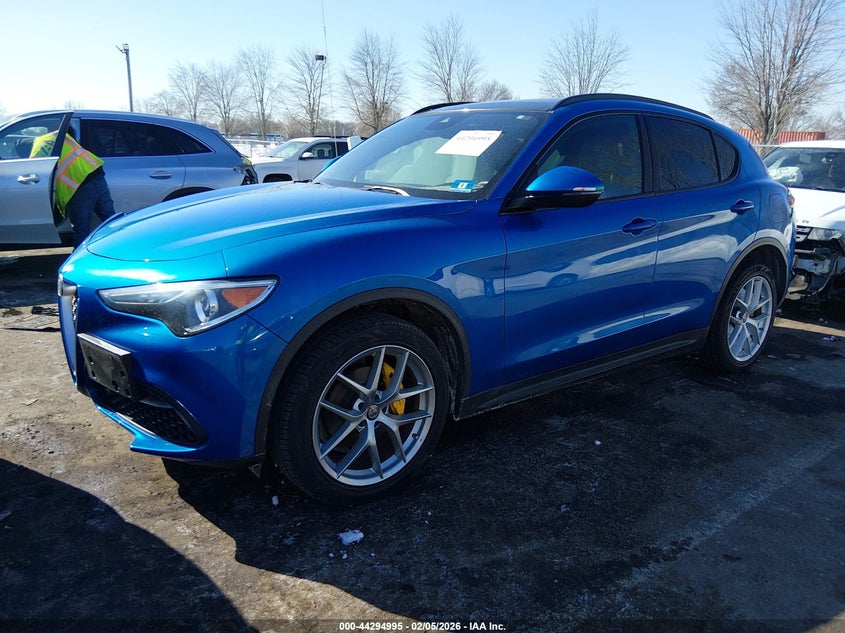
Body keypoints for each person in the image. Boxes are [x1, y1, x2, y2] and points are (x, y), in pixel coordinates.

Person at [30, 128, 115, 246]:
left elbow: (34, 171)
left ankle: (81, 259)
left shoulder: (38, 148)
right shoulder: (60, 135)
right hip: (96, 173)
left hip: (80, 184)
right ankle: (125, 249)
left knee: (81, 227)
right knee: (111, 219)